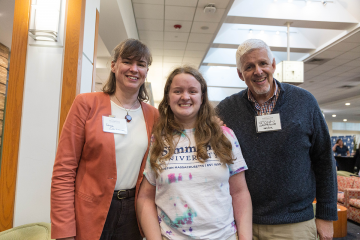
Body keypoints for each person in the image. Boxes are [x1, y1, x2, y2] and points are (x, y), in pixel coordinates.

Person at [216, 39, 337, 240]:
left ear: (273, 65)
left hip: (295, 224)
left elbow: (324, 160)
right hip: (243, 224)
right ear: (240, 74)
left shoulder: (305, 102)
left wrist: (326, 215)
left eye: (263, 63)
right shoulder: (226, 110)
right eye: (249, 66)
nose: (258, 71)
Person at [51, 39, 159, 240]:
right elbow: (64, 171)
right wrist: (64, 229)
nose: (134, 69)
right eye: (127, 61)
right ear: (113, 65)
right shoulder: (86, 104)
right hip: (89, 210)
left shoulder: (154, 116)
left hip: (133, 213)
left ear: (146, 71)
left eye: (141, 64)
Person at [137, 66, 252, 240]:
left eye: (192, 91)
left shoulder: (224, 136)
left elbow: (239, 193)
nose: (185, 97)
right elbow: (145, 197)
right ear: (168, 97)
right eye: (177, 91)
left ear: (202, 97)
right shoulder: (159, 140)